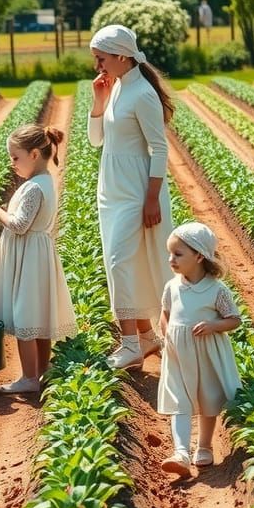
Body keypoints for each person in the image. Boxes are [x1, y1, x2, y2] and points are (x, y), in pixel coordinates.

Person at [89, 23, 176, 370]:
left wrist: (152, 198)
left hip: (136, 191)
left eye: (101, 58)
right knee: (125, 262)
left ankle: (129, 345)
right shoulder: (119, 87)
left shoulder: (142, 93)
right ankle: (145, 339)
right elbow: (97, 141)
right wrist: (98, 102)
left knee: (119, 262)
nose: (98, 66)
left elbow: (159, 148)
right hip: (111, 190)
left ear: (122, 55)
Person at [0, 124, 77, 393]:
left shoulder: (35, 187)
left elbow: (20, 225)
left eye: (15, 157)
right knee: (39, 315)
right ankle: (42, 371)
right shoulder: (45, 181)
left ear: (34, 154)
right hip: (37, 253)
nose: (12, 164)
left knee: (26, 316)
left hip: (29, 256)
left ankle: (29, 378)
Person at [157, 222, 242, 477]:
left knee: (207, 398)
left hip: (205, 352)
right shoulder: (172, 286)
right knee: (180, 400)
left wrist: (214, 325)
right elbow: (165, 313)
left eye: (178, 254)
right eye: (170, 253)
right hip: (178, 355)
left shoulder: (216, 289)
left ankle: (204, 446)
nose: (171, 259)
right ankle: (181, 452)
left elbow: (235, 319)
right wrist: (166, 334)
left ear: (199, 255)